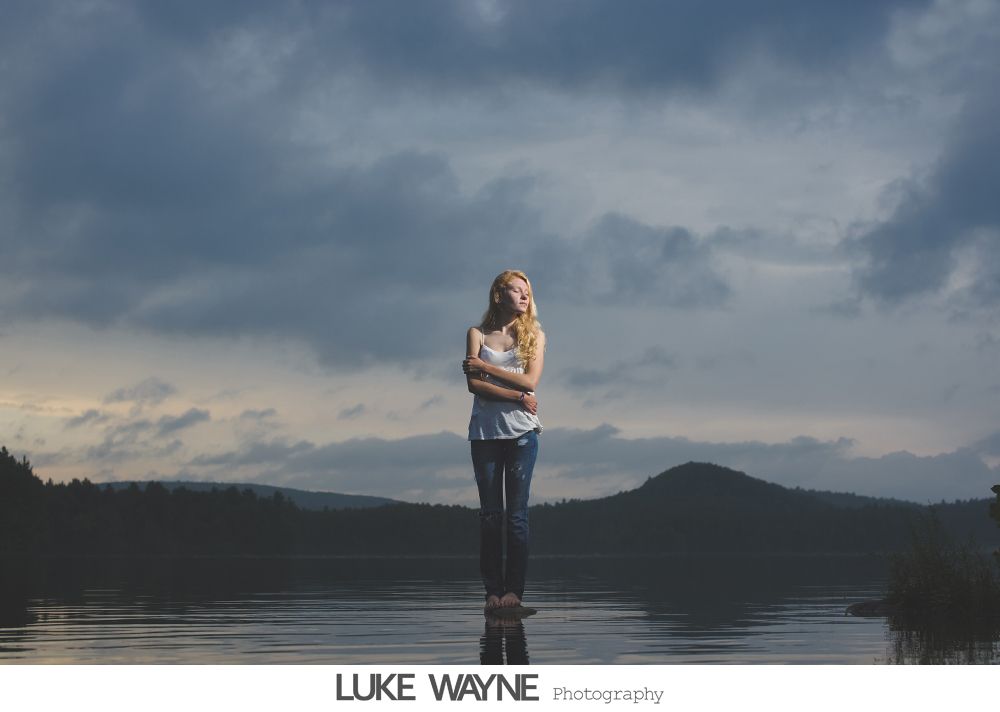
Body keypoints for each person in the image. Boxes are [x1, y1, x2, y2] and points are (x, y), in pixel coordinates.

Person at [463, 269, 545, 612]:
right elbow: (474, 385)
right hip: (484, 434)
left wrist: (485, 366)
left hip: (522, 434)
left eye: (527, 291)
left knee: (516, 516)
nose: (524, 296)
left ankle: (514, 592)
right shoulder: (476, 333)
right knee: (490, 516)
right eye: (517, 290)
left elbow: (530, 381)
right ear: (499, 295)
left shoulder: (535, 336)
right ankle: (492, 593)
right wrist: (515, 396)